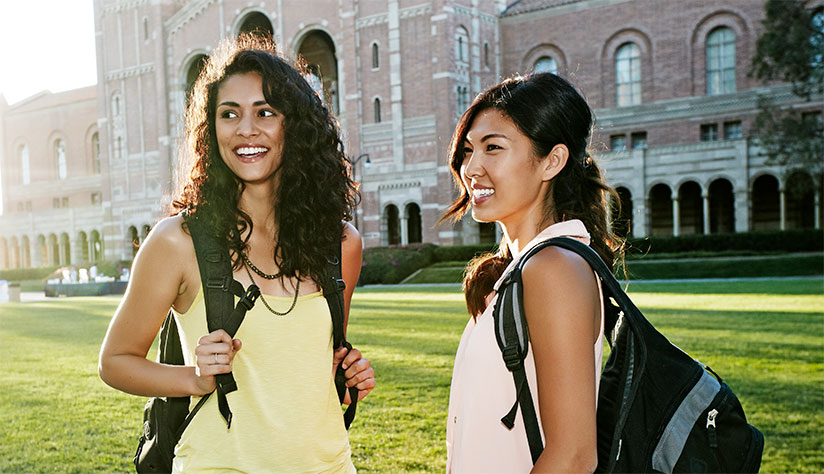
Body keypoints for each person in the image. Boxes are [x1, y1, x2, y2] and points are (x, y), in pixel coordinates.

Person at [99, 35, 375, 473]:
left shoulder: (341, 243)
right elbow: (115, 362)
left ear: (296, 125)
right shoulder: (177, 241)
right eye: (229, 114)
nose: (246, 129)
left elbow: (311, 361)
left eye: (265, 112)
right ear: (212, 129)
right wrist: (192, 377)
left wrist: (346, 371)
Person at [441, 73, 621, 473]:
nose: (471, 168)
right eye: (470, 150)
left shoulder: (555, 268)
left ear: (552, 161)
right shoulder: (523, 267)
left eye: (493, 148)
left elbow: (573, 456)